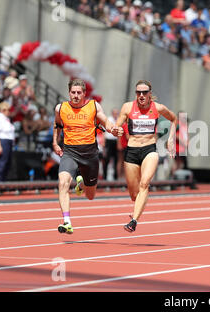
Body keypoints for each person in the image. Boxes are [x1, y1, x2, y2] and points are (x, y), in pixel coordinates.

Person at [52, 79, 121, 234]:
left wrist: (113, 129)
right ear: (69, 92)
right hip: (70, 152)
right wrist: (55, 143)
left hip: (90, 154)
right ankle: (67, 221)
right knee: (63, 183)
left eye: (79, 93)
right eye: (73, 92)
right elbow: (57, 125)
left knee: (90, 195)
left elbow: (105, 121)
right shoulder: (60, 108)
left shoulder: (93, 106)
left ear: (84, 94)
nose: (76, 96)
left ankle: (81, 184)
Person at [114, 80, 177, 233]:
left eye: (144, 92)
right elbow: (117, 126)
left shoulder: (158, 108)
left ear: (150, 94)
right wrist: (116, 131)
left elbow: (174, 119)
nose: (141, 95)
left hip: (150, 149)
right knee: (134, 193)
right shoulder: (128, 107)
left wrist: (171, 139)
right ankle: (137, 208)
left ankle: (133, 221)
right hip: (132, 151)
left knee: (144, 184)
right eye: (138, 92)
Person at [0, 101, 15, 181]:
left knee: (7, 163)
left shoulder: (6, 119)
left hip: (8, 142)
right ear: (2, 110)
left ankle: (3, 181)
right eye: (7, 110)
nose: (9, 112)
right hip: (3, 142)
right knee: (2, 162)